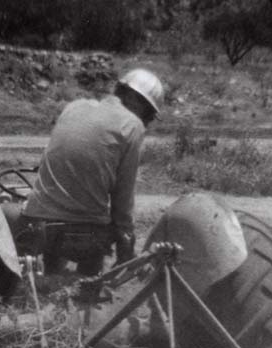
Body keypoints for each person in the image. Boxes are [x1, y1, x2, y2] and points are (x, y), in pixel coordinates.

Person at [19, 68, 164, 275]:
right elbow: (123, 199)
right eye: (149, 113)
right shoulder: (133, 126)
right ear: (134, 99)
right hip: (84, 236)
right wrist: (126, 248)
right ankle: (89, 292)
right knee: (91, 278)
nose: (148, 122)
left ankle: (51, 278)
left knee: (54, 264)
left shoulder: (74, 107)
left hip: (35, 221)